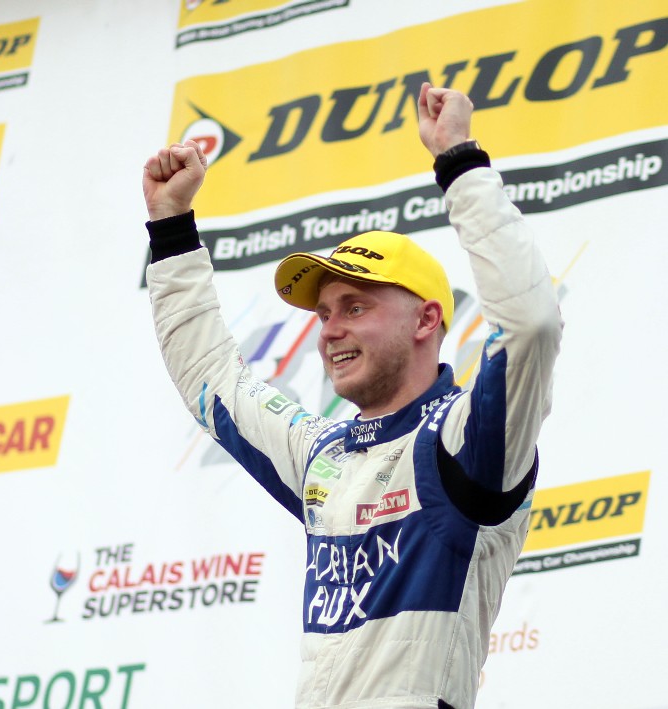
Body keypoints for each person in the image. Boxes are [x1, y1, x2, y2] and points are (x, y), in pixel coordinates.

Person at [141, 83, 563, 709]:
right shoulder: (323, 457)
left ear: (426, 321)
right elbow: (212, 378)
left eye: (355, 307)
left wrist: (459, 163)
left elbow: (530, 327)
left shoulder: (464, 441)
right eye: (324, 313)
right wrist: (171, 226)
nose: (330, 330)